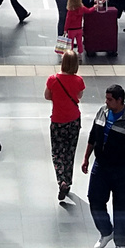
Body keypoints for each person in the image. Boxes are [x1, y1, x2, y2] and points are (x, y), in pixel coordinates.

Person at [82, 83, 125, 248]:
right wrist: (86, 157)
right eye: (106, 98)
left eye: (110, 99)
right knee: (94, 199)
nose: (106, 102)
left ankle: (120, 243)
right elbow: (93, 135)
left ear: (120, 100)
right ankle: (106, 231)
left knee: (121, 206)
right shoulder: (102, 111)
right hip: (101, 166)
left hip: (121, 170)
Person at [45, 51, 85, 203]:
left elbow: (47, 96)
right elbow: (79, 96)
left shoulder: (53, 79)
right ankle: (67, 181)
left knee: (57, 152)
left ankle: (61, 179)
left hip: (57, 120)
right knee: (70, 151)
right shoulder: (79, 80)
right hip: (73, 120)